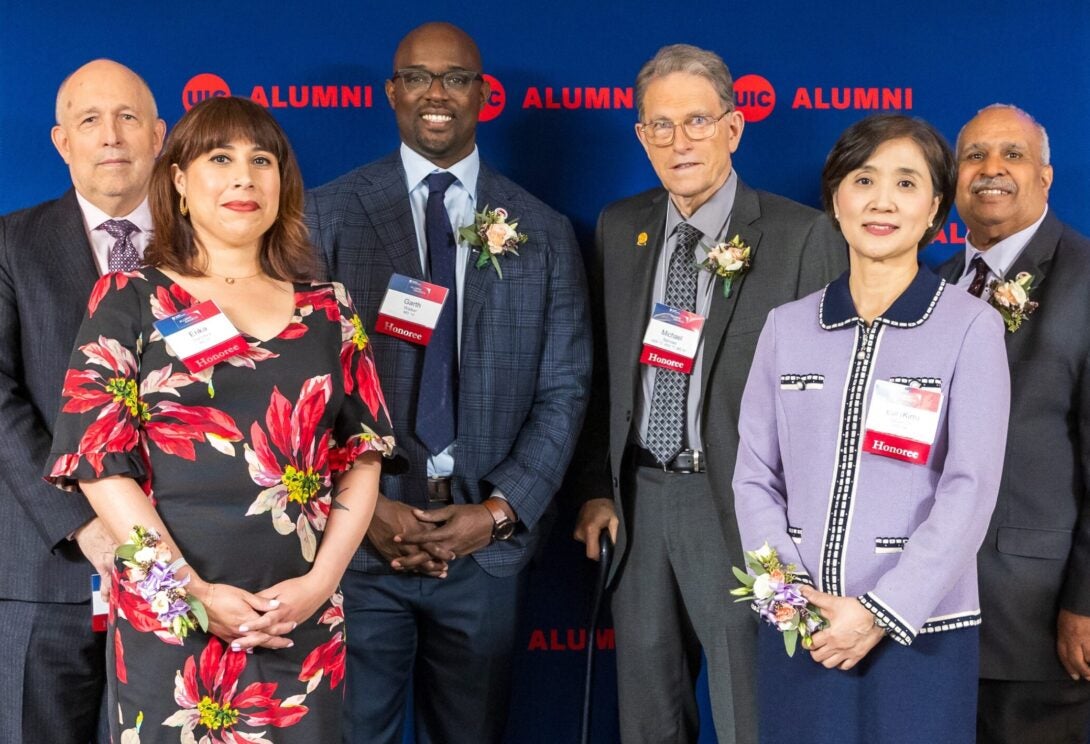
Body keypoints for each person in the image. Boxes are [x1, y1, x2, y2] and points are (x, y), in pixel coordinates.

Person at [44, 95, 397, 743]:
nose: (243, 177)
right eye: (220, 158)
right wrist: (193, 591)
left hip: (300, 621)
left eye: (261, 160)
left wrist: (319, 585)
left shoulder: (330, 310)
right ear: (178, 181)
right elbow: (100, 467)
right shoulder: (131, 299)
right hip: (174, 622)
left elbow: (362, 459)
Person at [305, 22, 591, 744]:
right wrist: (363, 514)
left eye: (456, 78)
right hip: (358, 546)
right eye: (419, 77)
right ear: (392, 91)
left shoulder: (544, 230)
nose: (437, 94)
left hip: (484, 551)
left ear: (483, 95)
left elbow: (566, 388)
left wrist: (498, 513)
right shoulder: (326, 214)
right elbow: (303, 387)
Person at [570, 43, 845, 743]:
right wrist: (600, 487)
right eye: (659, 126)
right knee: (648, 720)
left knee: (748, 717)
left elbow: (825, 405)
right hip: (639, 503)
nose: (678, 141)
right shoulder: (617, 226)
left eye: (696, 121)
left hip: (740, 510)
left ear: (733, 126)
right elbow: (602, 377)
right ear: (640, 136)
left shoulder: (800, 235)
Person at [733, 114, 1010, 744]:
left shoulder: (969, 328)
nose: (882, 200)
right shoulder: (786, 327)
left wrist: (880, 612)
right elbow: (754, 474)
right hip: (801, 627)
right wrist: (788, 595)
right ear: (836, 197)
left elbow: (970, 488)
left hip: (921, 633)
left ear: (936, 206)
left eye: (907, 183)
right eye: (864, 179)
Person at [0, 58, 165, 743]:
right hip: (52, 567)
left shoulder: (214, 244)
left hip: (185, 567)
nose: (111, 136)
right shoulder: (10, 244)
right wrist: (84, 522)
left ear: (159, 135)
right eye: (89, 121)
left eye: (128, 117)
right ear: (61, 142)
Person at [936, 104, 1090, 744]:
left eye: (1012, 154)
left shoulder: (1085, 277)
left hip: (1039, 616)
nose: (990, 169)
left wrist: (1086, 600)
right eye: (974, 155)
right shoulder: (934, 285)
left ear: (1047, 176)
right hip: (931, 612)